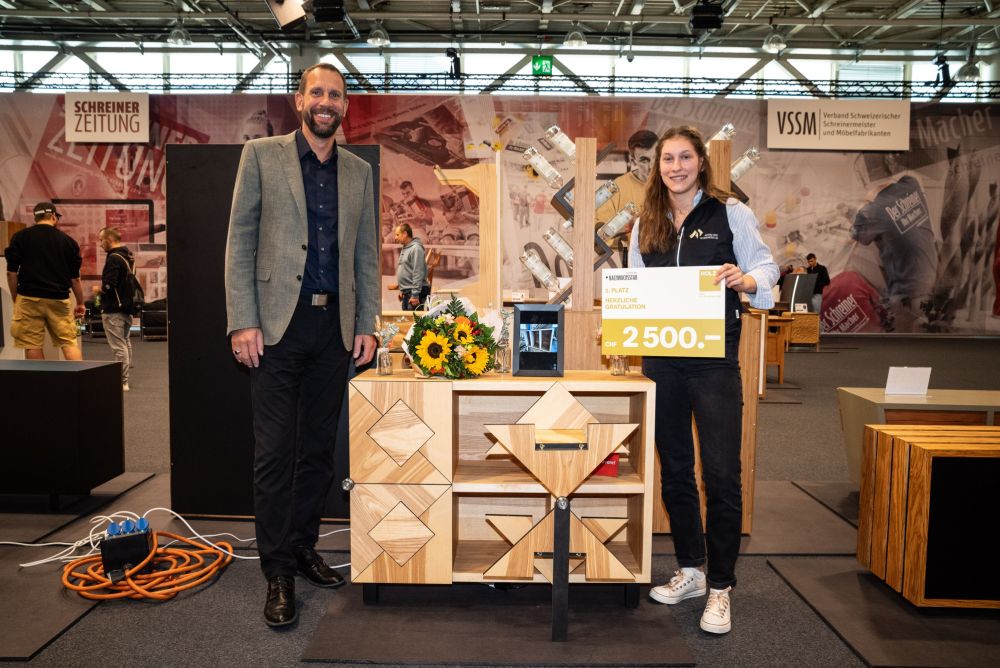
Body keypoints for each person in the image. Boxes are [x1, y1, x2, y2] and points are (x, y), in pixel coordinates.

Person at [224, 62, 379, 629]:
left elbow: (365, 253)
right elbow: (239, 242)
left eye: (335, 94)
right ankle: (277, 570)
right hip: (275, 328)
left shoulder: (359, 172)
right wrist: (242, 320)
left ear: (345, 106)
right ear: (299, 100)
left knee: (317, 451)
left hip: (333, 329)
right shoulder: (260, 156)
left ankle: (303, 546)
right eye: (317, 92)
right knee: (274, 453)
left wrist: (367, 322)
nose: (326, 102)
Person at [627, 126, 778, 635]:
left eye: (685, 157)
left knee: (721, 475)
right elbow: (634, 284)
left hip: (714, 362)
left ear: (700, 162)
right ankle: (691, 569)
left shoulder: (730, 212)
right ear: (658, 167)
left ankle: (721, 586)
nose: (676, 167)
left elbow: (767, 267)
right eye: (668, 159)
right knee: (674, 469)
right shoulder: (645, 221)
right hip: (661, 361)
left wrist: (746, 279)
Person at [4, 202, 85, 360]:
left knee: (32, 345)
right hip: (59, 299)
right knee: (69, 343)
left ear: (36, 217)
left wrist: (16, 297)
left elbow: (11, 273)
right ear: (53, 216)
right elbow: (75, 278)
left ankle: (40, 378)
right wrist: (80, 302)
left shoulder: (20, 237)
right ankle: (79, 377)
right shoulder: (68, 241)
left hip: (29, 298)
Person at [597, 129, 658, 262]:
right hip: (630, 261)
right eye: (644, 160)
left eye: (655, 158)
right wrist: (628, 230)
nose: (651, 166)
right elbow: (599, 235)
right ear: (633, 160)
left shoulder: (672, 185)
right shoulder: (617, 188)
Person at [93, 227, 136, 390]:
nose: (100, 244)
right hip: (127, 307)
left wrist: (98, 289)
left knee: (119, 346)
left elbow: (110, 285)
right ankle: (125, 376)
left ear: (109, 240)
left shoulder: (113, 258)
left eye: (101, 240)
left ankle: (122, 381)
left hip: (113, 309)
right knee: (125, 342)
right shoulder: (128, 256)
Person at [387, 223, 430, 310]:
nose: (395, 238)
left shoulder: (416, 248)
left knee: (413, 318)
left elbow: (418, 272)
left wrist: (415, 295)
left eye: (397, 235)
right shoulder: (406, 248)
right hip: (407, 291)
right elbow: (406, 270)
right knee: (406, 318)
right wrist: (402, 289)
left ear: (405, 234)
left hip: (414, 293)